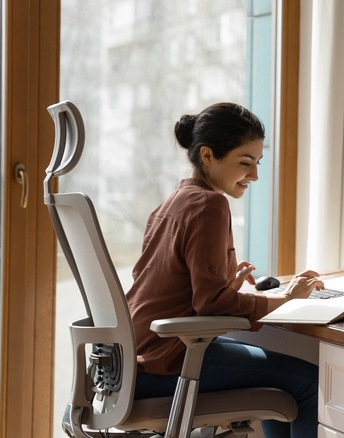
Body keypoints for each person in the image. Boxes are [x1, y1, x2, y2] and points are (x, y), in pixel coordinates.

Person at [127, 102, 323, 438]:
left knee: (283, 384)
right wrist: (288, 297)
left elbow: (164, 284)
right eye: (245, 163)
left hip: (135, 360)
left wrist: (224, 283)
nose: (255, 176)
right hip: (169, 361)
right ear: (207, 156)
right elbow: (212, 305)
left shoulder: (172, 202)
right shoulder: (210, 204)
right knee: (309, 383)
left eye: (257, 163)